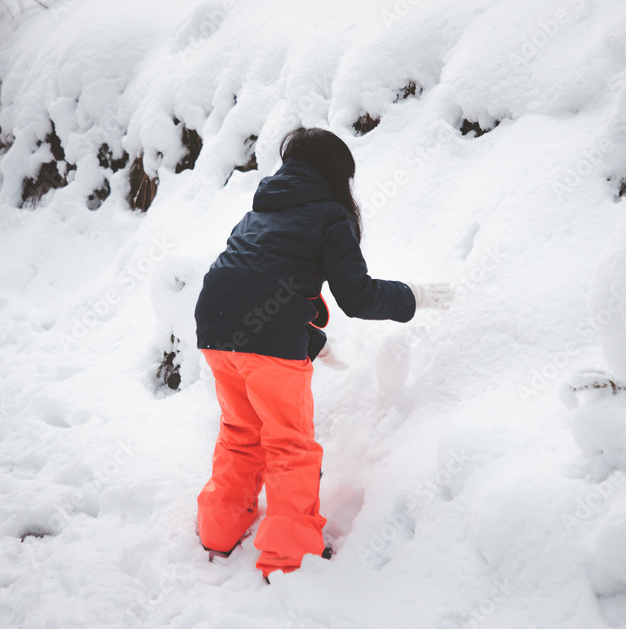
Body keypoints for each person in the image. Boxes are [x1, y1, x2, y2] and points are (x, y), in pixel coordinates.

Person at [193, 126, 453, 580]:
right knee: (289, 444)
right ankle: (287, 554)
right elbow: (358, 297)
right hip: (264, 340)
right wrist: (414, 295)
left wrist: (314, 343)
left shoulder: (258, 214)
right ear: (338, 174)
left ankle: (219, 528)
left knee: (240, 431)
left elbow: (257, 285)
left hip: (214, 327)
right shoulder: (332, 217)